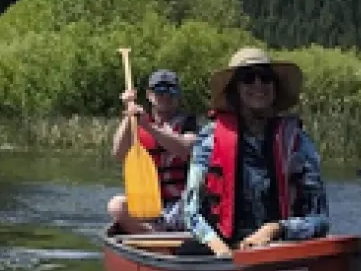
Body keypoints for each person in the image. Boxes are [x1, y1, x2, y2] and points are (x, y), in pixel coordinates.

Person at [175, 48, 330, 258]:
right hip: (224, 247)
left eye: (265, 78)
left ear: (275, 88)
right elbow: (191, 212)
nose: (258, 85)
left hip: (281, 249)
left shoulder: (297, 142)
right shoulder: (209, 139)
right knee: (187, 252)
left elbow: (320, 218)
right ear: (235, 89)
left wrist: (276, 229)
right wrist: (222, 250)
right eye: (248, 78)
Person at [107, 69, 200, 234]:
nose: (165, 96)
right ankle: (153, 235)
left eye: (171, 90)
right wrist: (129, 117)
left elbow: (186, 149)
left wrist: (149, 127)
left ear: (178, 95)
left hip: (181, 204)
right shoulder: (136, 124)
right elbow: (119, 154)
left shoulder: (188, 123)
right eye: (160, 90)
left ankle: (155, 236)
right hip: (147, 204)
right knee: (116, 206)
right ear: (150, 95)